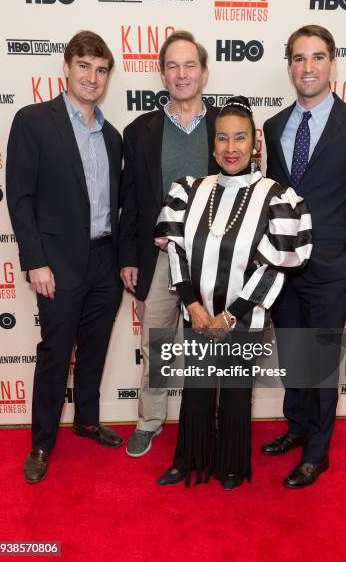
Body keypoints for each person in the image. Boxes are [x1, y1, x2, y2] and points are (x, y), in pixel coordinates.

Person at [154, 96, 312, 490]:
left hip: (244, 319)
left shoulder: (277, 197)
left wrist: (232, 314)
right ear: (213, 144)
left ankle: (230, 465)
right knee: (198, 389)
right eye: (222, 138)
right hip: (199, 313)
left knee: (238, 394)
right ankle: (188, 460)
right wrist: (193, 305)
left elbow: (274, 265)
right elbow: (176, 252)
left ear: (254, 143)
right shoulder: (190, 190)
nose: (230, 148)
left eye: (239, 138)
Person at [261, 25, 346, 488]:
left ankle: (318, 451)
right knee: (293, 356)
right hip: (282, 268)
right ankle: (296, 428)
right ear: (289, 65)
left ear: (332, 63)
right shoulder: (273, 128)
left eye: (316, 58)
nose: (307, 67)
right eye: (298, 58)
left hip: (332, 268)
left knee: (322, 365)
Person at [6, 30, 123, 484]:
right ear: (67, 68)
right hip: (56, 263)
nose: (92, 78)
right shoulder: (34, 120)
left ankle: (88, 420)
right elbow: (20, 197)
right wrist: (35, 260)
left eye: (100, 70)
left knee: (94, 349)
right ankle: (41, 442)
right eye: (84, 67)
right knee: (56, 353)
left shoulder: (112, 136)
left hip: (105, 260)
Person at [119, 31, 219, 457]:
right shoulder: (139, 130)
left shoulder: (227, 126)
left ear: (204, 71)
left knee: (211, 343)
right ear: (162, 74)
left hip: (212, 258)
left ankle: (208, 420)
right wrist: (128, 256)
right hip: (158, 258)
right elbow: (130, 200)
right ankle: (150, 420)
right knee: (158, 344)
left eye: (190, 65)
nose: (182, 75)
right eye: (173, 66)